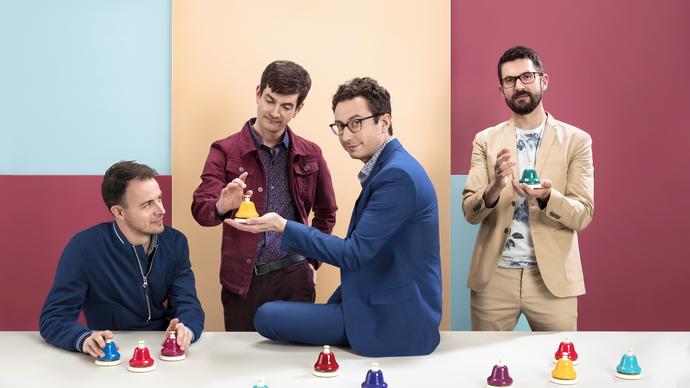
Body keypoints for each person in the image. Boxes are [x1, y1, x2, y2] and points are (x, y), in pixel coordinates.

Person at [227, 77, 442, 357]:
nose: (346, 136)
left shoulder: (397, 176)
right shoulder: (391, 167)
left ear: (384, 122)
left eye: (355, 123)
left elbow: (354, 254)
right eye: (339, 126)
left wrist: (283, 226)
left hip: (393, 318)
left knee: (266, 316)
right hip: (372, 295)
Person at [191, 60, 337, 331]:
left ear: (298, 108)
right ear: (258, 92)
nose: (274, 112)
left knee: (293, 365)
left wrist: (311, 262)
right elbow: (202, 210)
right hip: (242, 282)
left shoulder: (311, 153)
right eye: (269, 100)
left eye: (286, 106)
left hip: (295, 276)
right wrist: (222, 205)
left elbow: (327, 212)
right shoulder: (224, 150)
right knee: (243, 364)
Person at [462, 46, 594, 331]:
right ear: (501, 90)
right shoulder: (485, 140)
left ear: (543, 80)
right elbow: (470, 212)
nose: (518, 85)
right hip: (493, 278)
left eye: (526, 76)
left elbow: (583, 214)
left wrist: (548, 196)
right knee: (487, 366)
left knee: (559, 366)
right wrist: (495, 187)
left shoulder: (577, 141)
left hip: (553, 281)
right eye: (509, 80)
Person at [39, 161, 204, 357]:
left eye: (159, 199)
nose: (161, 210)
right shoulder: (84, 247)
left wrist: (186, 329)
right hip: (110, 351)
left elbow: (188, 304)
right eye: (147, 204)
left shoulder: (176, 242)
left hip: (162, 348)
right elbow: (53, 317)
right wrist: (83, 339)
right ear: (118, 212)